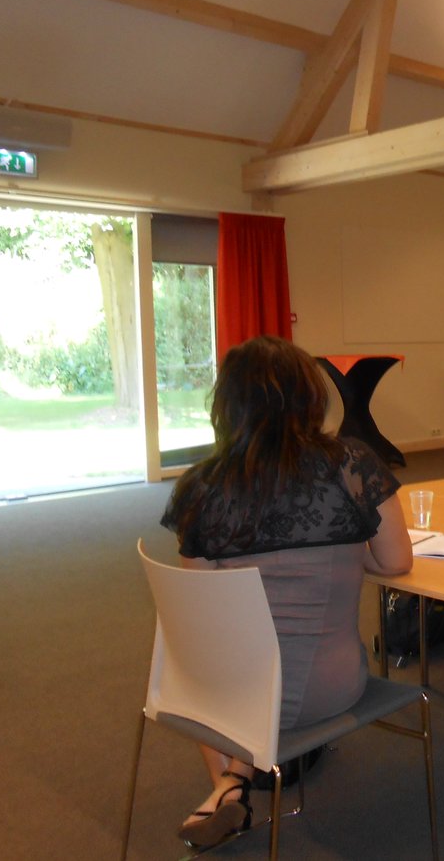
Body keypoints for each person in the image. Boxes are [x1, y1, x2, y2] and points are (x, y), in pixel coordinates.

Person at [160, 335, 413, 848]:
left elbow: (199, 611)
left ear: (227, 405)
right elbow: (397, 561)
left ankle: (230, 783)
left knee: (185, 659)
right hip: (332, 687)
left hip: (230, 700)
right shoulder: (352, 465)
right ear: (310, 398)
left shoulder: (200, 486)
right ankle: (245, 775)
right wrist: (347, 545)